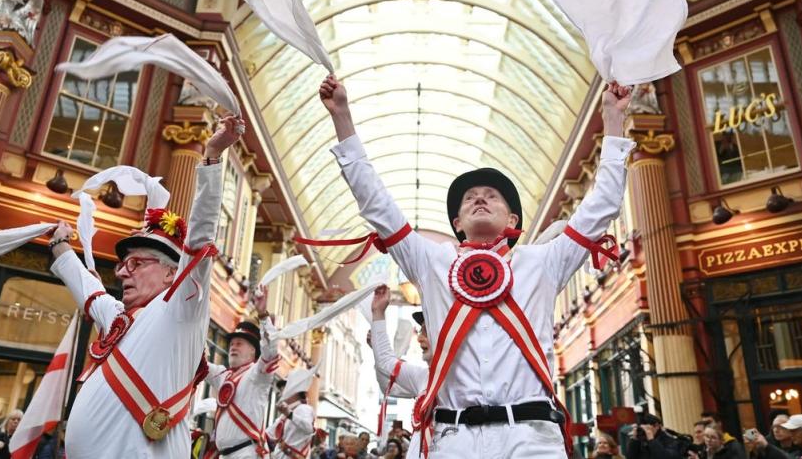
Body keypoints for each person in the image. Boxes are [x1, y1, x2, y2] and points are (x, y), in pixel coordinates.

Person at [319, 74, 633, 458]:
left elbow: (600, 208)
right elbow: (376, 204)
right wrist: (342, 119)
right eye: (470, 198)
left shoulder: (542, 261)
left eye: (492, 197)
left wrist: (614, 121)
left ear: (514, 221)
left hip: (532, 440)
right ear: (456, 223)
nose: (480, 200)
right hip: (455, 441)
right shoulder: (431, 261)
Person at [46, 116, 243, 459]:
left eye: (136, 263)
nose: (122, 272)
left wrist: (211, 158)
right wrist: (60, 247)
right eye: (123, 264)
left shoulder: (180, 310)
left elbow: (199, 242)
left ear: (172, 273)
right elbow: (89, 292)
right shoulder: (120, 316)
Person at [203, 285, 279, 458]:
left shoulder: (258, 374)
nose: (233, 347)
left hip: (247, 454)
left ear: (253, 351)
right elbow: (198, 365)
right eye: (231, 344)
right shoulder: (223, 375)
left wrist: (263, 316)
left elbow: (271, 351)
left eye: (239, 343)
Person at [369, 286, 428, 459]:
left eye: (426, 331)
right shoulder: (422, 377)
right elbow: (387, 370)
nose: (419, 338)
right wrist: (378, 313)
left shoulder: (464, 375)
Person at [271, 369, 316, 458]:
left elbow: (309, 428)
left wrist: (290, 415)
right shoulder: (284, 415)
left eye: (282, 390)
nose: (280, 394)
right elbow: (269, 434)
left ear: (294, 391)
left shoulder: (304, 409)